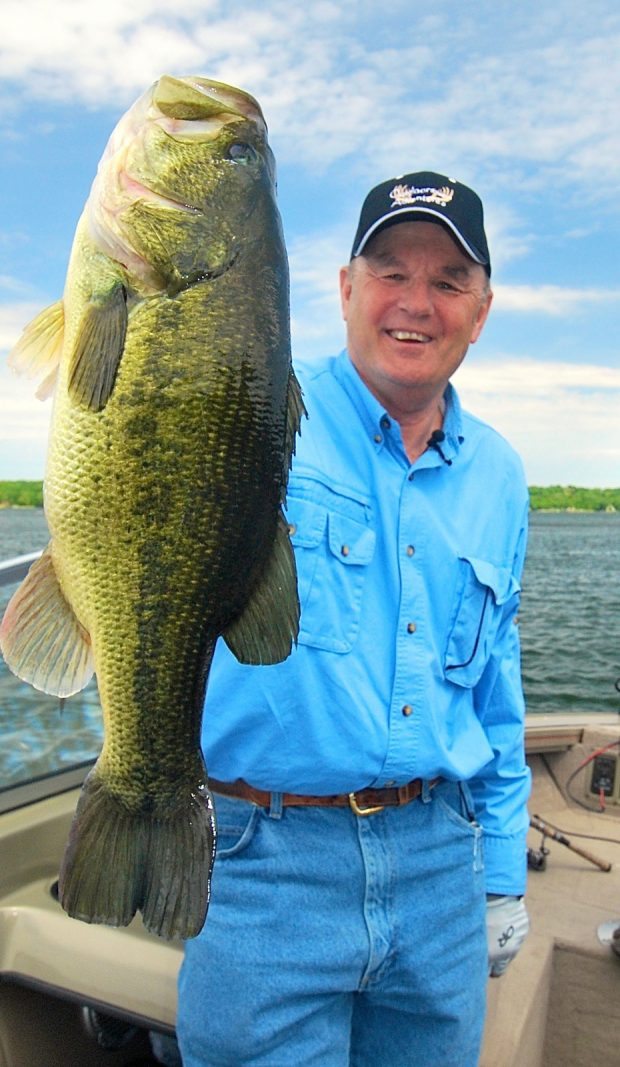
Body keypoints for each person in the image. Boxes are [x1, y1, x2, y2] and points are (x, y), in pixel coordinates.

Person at [176, 171, 531, 1067]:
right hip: (265, 862)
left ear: (481, 311)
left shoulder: (501, 475)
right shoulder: (249, 415)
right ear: (343, 288)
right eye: (390, 271)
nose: (417, 303)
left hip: (440, 867)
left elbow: (497, 692)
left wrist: (497, 876)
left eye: (449, 280)